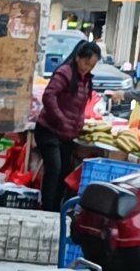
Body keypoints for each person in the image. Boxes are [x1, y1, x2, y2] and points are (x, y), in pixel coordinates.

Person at [34, 39, 101, 211]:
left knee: (65, 171)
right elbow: (49, 96)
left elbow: (79, 107)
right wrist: (61, 119)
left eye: (92, 66)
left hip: (67, 134)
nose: (87, 68)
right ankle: (47, 209)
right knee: (54, 168)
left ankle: (57, 210)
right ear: (78, 57)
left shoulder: (86, 80)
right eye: (86, 63)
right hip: (49, 130)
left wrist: (79, 123)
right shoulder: (65, 73)